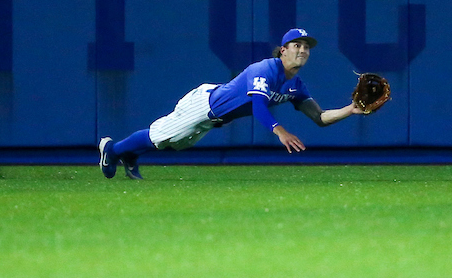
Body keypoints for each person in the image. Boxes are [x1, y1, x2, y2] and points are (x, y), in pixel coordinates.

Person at [98, 27, 374, 180]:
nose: (302, 50)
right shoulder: (264, 69)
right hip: (204, 104)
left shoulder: (296, 86)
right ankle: (112, 149)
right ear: (283, 50)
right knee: (162, 135)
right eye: (296, 45)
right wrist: (280, 131)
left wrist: (350, 110)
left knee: (172, 143)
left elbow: (321, 118)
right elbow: (258, 106)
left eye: (306, 47)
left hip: (215, 117)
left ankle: (131, 153)